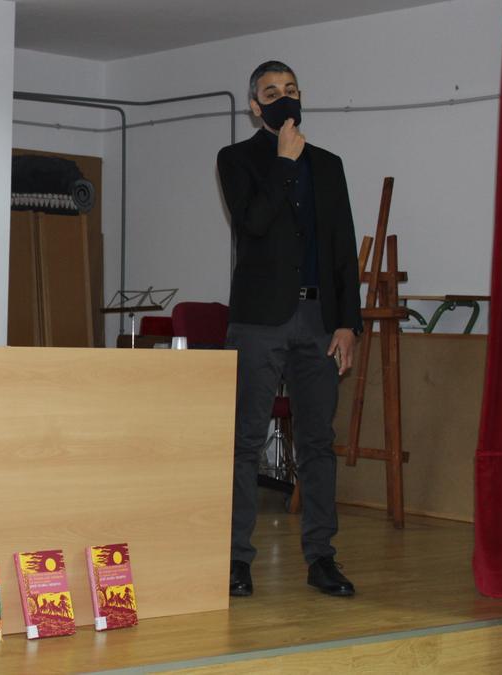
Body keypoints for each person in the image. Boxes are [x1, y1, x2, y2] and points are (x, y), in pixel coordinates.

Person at [217, 61, 362, 598]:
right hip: (259, 321)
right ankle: (236, 558)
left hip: (320, 320)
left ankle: (322, 557)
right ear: (255, 106)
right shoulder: (236, 160)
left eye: (293, 90)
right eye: (272, 92)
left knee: (318, 443)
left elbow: (343, 248)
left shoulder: (329, 165)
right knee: (246, 442)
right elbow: (252, 224)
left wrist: (349, 323)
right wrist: (282, 163)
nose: (284, 98)